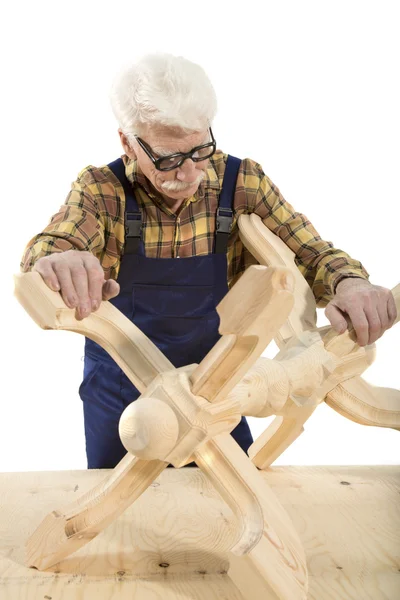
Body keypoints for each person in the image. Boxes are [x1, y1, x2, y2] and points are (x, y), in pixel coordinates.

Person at [21, 54, 397, 469]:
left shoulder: (241, 182)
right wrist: (58, 260)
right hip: (122, 398)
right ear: (128, 142)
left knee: (229, 508)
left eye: (199, 150)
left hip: (220, 388)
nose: (187, 172)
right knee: (122, 521)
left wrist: (351, 283)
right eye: (166, 158)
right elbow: (53, 245)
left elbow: (311, 251)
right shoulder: (101, 190)